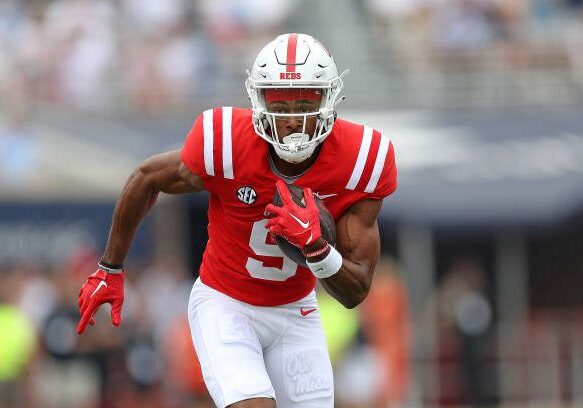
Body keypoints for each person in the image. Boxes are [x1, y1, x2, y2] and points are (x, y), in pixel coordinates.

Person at [77, 33, 398, 408]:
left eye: (305, 100)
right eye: (280, 103)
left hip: (296, 310)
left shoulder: (363, 159)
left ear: (329, 99)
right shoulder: (226, 142)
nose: (293, 119)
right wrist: (110, 268)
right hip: (226, 303)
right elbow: (148, 177)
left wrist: (317, 249)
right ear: (258, 101)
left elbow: (355, 292)